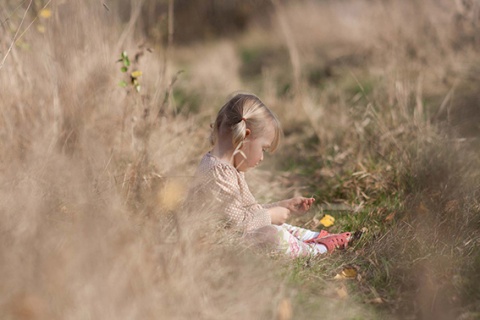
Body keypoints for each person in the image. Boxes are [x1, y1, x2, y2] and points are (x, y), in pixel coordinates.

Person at [190, 93, 351, 258]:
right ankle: (317, 250)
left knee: (275, 226)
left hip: (235, 234)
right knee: (270, 234)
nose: (261, 158)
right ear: (245, 136)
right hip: (218, 244)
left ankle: (315, 238)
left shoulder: (229, 168)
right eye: (264, 149)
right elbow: (240, 224)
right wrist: (270, 215)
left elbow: (247, 212)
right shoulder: (217, 173)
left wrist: (281, 205)